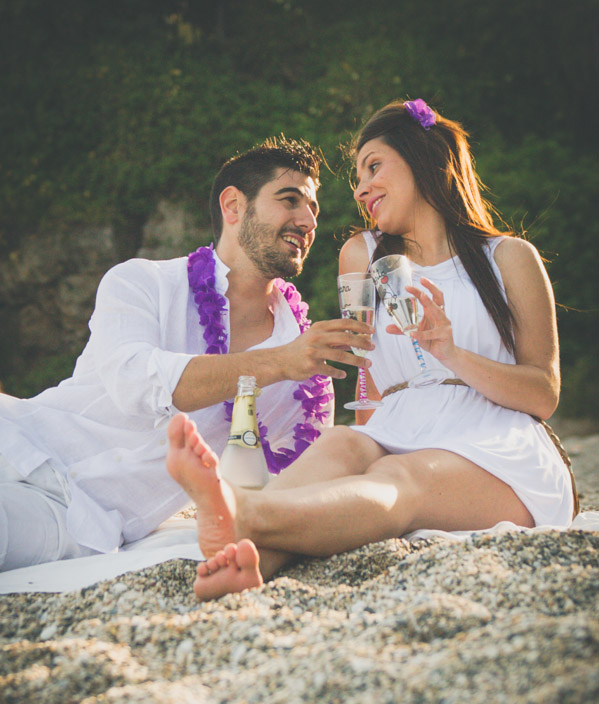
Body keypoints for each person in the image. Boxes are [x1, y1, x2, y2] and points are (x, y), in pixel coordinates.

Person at [165, 99, 575, 601]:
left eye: (373, 167)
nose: (360, 189)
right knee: (342, 445)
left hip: (497, 444)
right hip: (400, 420)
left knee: (396, 475)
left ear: (425, 158)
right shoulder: (362, 256)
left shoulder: (510, 257)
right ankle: (252, 559)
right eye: (357, 177)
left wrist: (449, 351)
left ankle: (244, 512)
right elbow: (370, 379)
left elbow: (543, 394)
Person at [0, 136, 375, 571]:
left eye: (313, 208)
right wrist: (277, 362)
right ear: (233, 206)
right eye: (290, 199)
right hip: (17, 440)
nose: (308, 220)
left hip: (79, 523)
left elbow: (291, 488)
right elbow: (135, 382)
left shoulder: (307, 380)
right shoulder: (141, 282)